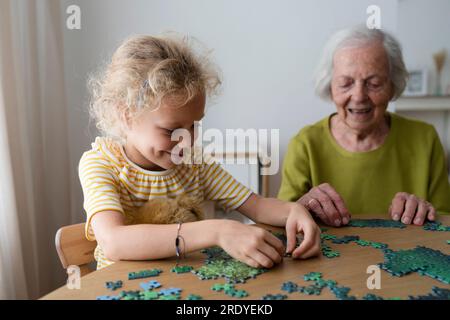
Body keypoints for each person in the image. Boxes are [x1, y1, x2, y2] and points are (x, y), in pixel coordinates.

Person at [79, 34, 321, 270]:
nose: (187, 142)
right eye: (172, 130)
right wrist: (217, 231)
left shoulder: (195, 164)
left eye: (194, 126)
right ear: (127, 115)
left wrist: (295, 211)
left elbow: (257, 207)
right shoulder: (101, 164)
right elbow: (114, 242)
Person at [278, 25, 450, 227]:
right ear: (330, 85)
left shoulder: (425, 138)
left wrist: (426, 211)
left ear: (393, 86)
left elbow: (444, 220)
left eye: (374, 83)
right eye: (346, 83)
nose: (359, 96)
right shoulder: (305, 143)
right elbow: (282, 221)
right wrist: (301, 207)